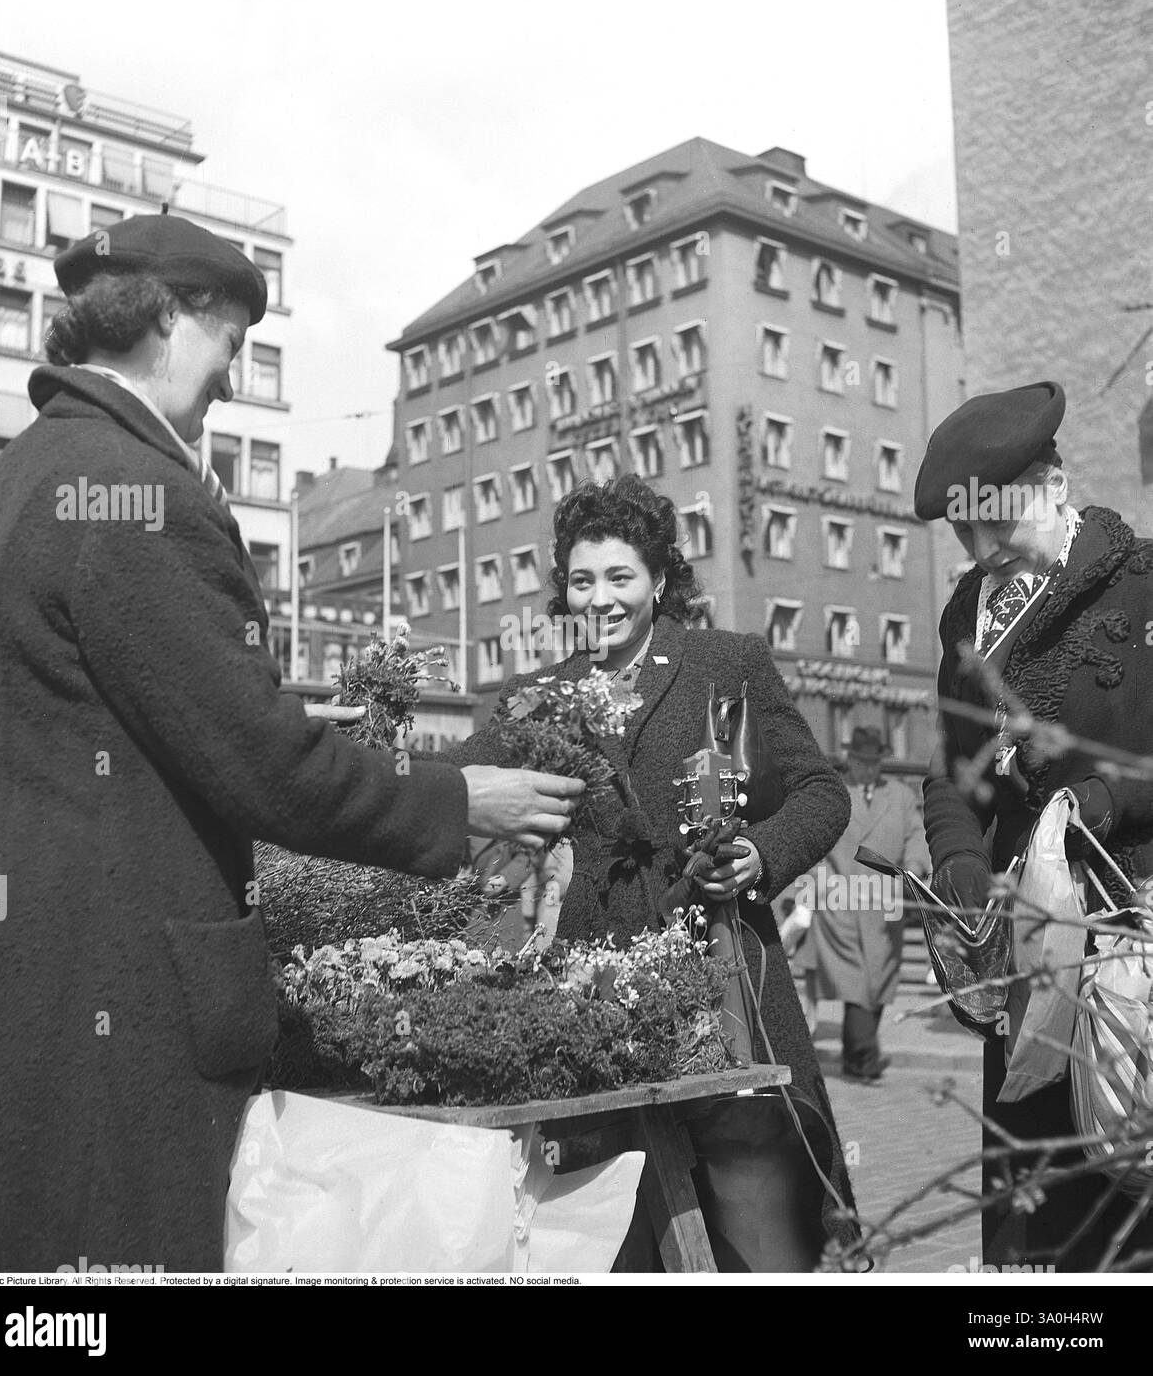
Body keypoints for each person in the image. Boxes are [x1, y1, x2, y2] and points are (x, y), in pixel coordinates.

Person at [0, 214, 582, 1274]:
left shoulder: (16, 477)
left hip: (30, 970)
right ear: (167, 319)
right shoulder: (138, 496)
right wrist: (459, 801)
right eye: (230, 342)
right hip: (127, 984)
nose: (231, 381)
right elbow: (259, 756)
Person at [438, 475, 859, 1271]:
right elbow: (456, 782)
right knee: (614, 1235)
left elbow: (819, 792)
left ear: (660, 580)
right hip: (589, 1011)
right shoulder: (534, 698)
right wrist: (375, 754)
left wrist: (761, 854)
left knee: (759, 1232)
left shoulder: (723, 665)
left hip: (721, 983)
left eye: (620, 577)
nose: (600, 599)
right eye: (582, 580)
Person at [916, 379, 1153, 1269]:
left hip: (1136, 944)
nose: (980, 551)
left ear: (1053, 484)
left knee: (1130, 1193)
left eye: (994, 522)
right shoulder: (967, 616)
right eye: (962, 531)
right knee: (1039, 1219)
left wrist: (1099, 803)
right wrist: (959, 860)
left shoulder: (1142, 584)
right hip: (1032, 955)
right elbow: (954, 766)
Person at [790, 727, 929, 1083]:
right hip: (840, 903)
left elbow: (916, 835)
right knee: (856, 983)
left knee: (878, 983)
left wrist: (914, 867)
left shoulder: (899, 796)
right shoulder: (833, 795)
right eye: (861, 762)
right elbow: (813, 841)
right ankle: (865, 1058)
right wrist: (817, 883)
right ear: (849, 760)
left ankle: (855, 1056)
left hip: (886, 905)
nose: (869, 769)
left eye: (874, 763)